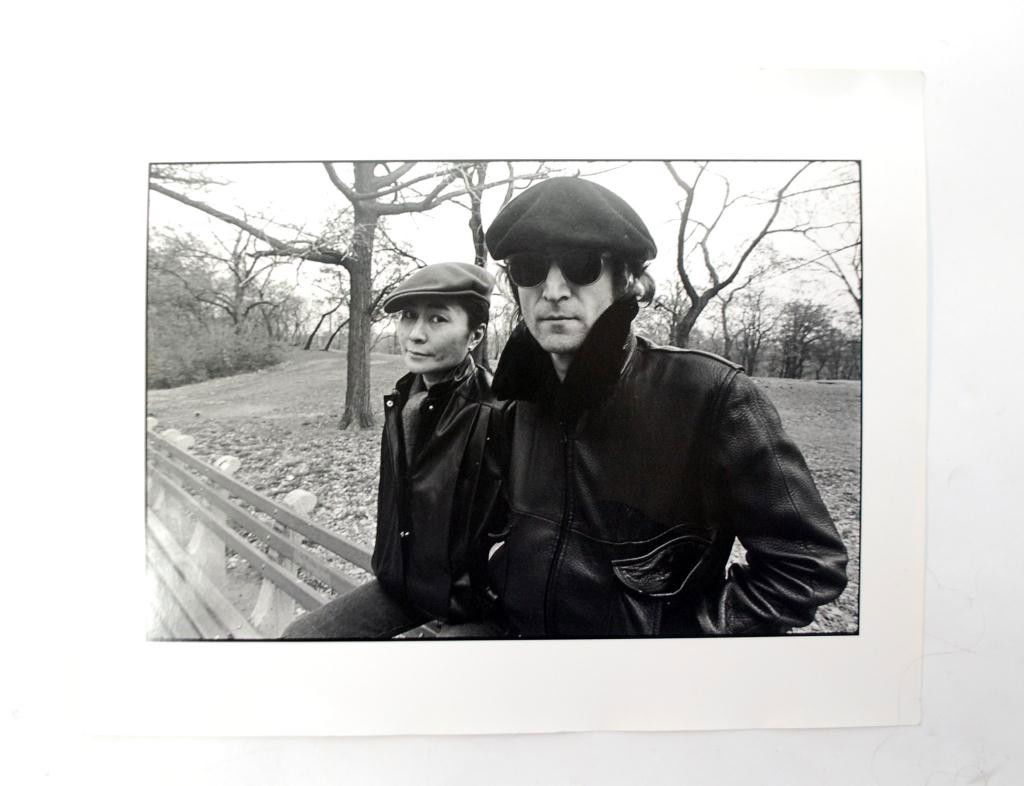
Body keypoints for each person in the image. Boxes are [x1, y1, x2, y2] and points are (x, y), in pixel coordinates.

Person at [484, 176, 849, 637]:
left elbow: (807, 566)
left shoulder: (710, 395)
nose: (553, 289)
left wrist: (680, 645)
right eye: (529, 268)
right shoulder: (516, 402)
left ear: (628, 280)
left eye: (581, 265)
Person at [282, 262, 506, 639]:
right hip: (402, 587)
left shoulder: (499, 412)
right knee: (300, 639)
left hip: (472, 605)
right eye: (408, 317)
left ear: (475, 334)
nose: (415, 335)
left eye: (437, 320)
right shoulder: (404, 399)